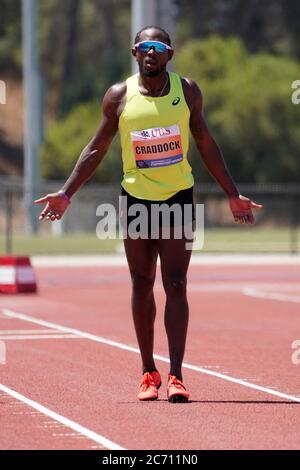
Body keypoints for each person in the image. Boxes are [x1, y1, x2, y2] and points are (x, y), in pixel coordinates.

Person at [35, 26, 263, 403]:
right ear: (135, 53)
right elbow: (97, 148)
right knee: (142, 283)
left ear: (169, 54)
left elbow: (205, 142)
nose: (150, 53)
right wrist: (65, 193)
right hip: (136, 200)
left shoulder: (187, 91)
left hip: (178, 199)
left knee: (176, 284)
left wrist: (233, 194)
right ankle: (147, 372)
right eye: (143, 48)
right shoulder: (118, 96)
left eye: (157, 47)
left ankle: (176, 375)